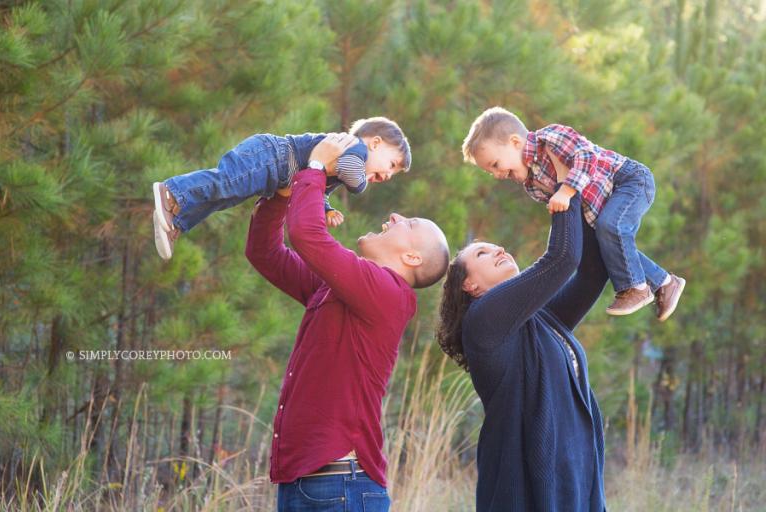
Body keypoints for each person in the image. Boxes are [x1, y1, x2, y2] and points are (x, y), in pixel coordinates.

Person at [245, 133, 449, 512]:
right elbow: (265, 253)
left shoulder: (388, 293)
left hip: (341, 485)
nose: (394, 216)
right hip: (306, 482)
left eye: (410, 222)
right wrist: (281, 197)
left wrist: (317, 167)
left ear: (412, 258)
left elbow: (307, 235)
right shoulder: (337, 289)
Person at [436, 189, 608, 511]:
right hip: (524, 489)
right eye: (482, 254)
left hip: (575, 482)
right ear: (469, 286)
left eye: (493, 246)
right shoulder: (482, 320)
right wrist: (565, 186)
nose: (498, 249)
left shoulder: (543, 319)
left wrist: (592, 202)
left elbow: (593, 272)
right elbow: (563, 258)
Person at [462, 106, 685, 321]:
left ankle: (635, 288)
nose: (497, 174)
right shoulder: (532, 185)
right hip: (601, 209)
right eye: (490, 171)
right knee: (606, 246)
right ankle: (665, 283)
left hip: (627, 181)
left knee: (610, 226)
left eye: (495, 164)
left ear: (515, 142)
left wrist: (566, 190)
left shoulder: (549, 138)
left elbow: (587, 157)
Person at [152, 117, 411, 260]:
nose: (388, 175)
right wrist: (363, 183)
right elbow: (355, 181)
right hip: (270, 156)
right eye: (391, 164)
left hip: (272, 173)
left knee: (224, 197)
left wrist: (327, 208)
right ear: (375, 143)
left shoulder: (343, 167)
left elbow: (318, 186)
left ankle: (177, 220)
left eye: (393, 173)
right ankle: (173, 192)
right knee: (225, 183)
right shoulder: (353, 148)